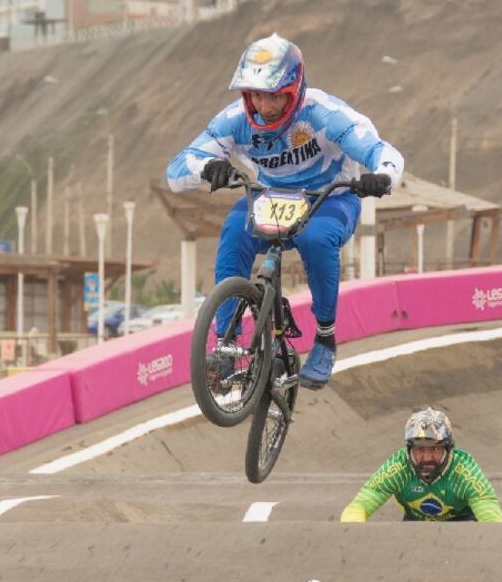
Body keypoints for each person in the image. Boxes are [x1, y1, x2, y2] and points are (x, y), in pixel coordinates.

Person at [166, 33, 404, 390]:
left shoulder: (325, 113)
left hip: (329, 198)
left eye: (274, 96)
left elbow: (379, 149)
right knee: (233, 231)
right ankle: (226, 347)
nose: (264, 105)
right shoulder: (234, 120)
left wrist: (382, 176)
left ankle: (324, 337)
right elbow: (177, 169)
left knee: (316, 239)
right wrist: (207, 169)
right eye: (256, 95)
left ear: (294, 90)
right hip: (270, 197)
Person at [340, 407, 502, 522]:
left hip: (463, 525)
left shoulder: (465, 471)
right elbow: (360, 505)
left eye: (434, 449)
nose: (427, 457)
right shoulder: (398, 466)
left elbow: (491, 519)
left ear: (448, 449)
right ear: (409, 449)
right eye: (420, 450)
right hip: (415, 525)